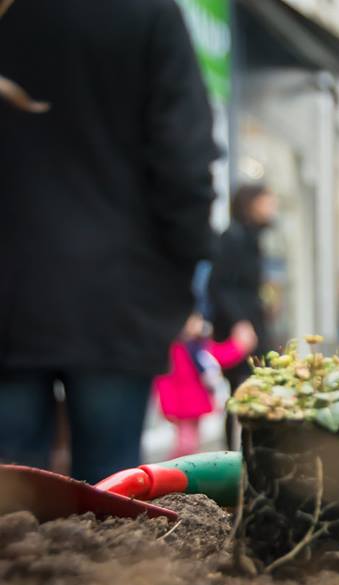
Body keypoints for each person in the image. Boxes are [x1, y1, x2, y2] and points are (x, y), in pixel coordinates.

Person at [0, 0, 217, 482]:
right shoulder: (146, 13)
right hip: (117, 293)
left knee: (10, 494)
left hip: (10, 293)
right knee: (107, 493)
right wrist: (183, 273)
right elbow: (184, 162)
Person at [208, 184, 277, 448]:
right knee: (239, 391)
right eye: (267, 202)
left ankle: (252, 449)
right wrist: (239, 322)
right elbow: (220, 284)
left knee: (258, 387)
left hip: (252, 323)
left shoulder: (252, 237)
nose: (272, 208)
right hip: (239, 327)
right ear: (251, 204)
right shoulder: (233, 237)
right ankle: (235, 452)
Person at [155, 314, 256, 458]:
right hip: (180, 403)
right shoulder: (175, 346)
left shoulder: (197, 346)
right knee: (187, 444)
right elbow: (163, 378)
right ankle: (173, 475)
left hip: (192, 403)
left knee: (190, 443)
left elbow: (219, 356)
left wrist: (239, 346)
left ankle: (180, 475)